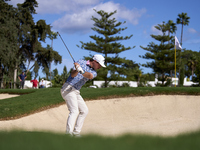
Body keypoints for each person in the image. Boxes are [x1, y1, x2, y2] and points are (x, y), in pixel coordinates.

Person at [60, 54, 106, 137]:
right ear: (95, 62)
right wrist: (77, 69)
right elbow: (73, 74)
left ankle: (76, 133)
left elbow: (90, 76)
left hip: (76, 91)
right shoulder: (81, 62)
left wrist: (82, 71)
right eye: (99, 65)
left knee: (84, 111)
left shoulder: (94, 72)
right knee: (74, 111)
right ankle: (68, 134)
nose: (100, 67)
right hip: (68, 88)